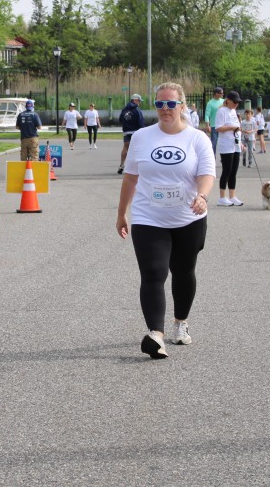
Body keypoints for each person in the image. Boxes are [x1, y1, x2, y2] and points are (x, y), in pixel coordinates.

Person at [115, 82, 216, 360]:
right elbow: (131, 177)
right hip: (149, 217)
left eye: (171, 104)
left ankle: (180, 322)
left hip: (188, 217)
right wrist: (122, 212)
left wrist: (202, 196)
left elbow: (207, 174)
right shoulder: (142, 137)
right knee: (153, 273)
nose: (165, 109)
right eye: (160, 104)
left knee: (183, 272)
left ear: (182, 106)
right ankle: (155, 335)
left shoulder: (197, 139)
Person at [214, 91, 243, 206]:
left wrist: (240, 141)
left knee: (234, 171)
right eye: (234, 102)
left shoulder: (233, 111)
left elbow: (237, 126)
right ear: (228, 100)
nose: (236, 104)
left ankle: (232, 196)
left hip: (235, 143)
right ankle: (222, 197)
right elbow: (218, 128)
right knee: (227, 170)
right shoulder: (221, 111)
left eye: (238, 102)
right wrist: (232, 127)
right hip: (226, 144)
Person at [118, 94, 144, 174]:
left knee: (125, 147)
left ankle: (121, 165)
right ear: (135, 100)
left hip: (126, 132)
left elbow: (120, 119)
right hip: (136, 132)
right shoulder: (137, 110)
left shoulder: (124, 109)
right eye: (139, 101)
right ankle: (136, 167)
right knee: (137, 149)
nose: (139, 102)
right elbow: (140, 122)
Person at [203, 87, 225, 153]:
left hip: (223, 125)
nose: (222, 94)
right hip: (214, 126)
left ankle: (224, 156)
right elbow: (207, 115)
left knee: (224, 143)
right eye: (221, 93)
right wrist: (207, 125)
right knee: (214, 143)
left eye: (222, 93)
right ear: (216, 94)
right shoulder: (210, 103)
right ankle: (213, 157)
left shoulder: (223, 101)